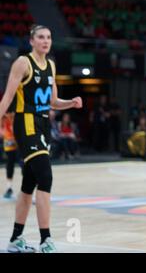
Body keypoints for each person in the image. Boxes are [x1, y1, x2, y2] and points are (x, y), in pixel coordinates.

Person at [0, 25, 83, 253]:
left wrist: (71, 102)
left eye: (48, 37)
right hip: (26, 123)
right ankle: (46, 239)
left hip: (44, 124)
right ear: (32, 41)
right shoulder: (23, 63)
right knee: (45, 176)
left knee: (29, 184)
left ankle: (16, 239)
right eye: (41, 37)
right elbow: (7, 97)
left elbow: (53, 101)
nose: (45, 41)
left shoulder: (52, 66)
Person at [0, 110, 21, 199]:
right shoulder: (3, 117)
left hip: (19, 141)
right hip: (9, 142)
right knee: (10, 164)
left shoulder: (17, 115)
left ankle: (27, 189)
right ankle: (9, 187)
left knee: (24, 164)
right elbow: (1, 130)